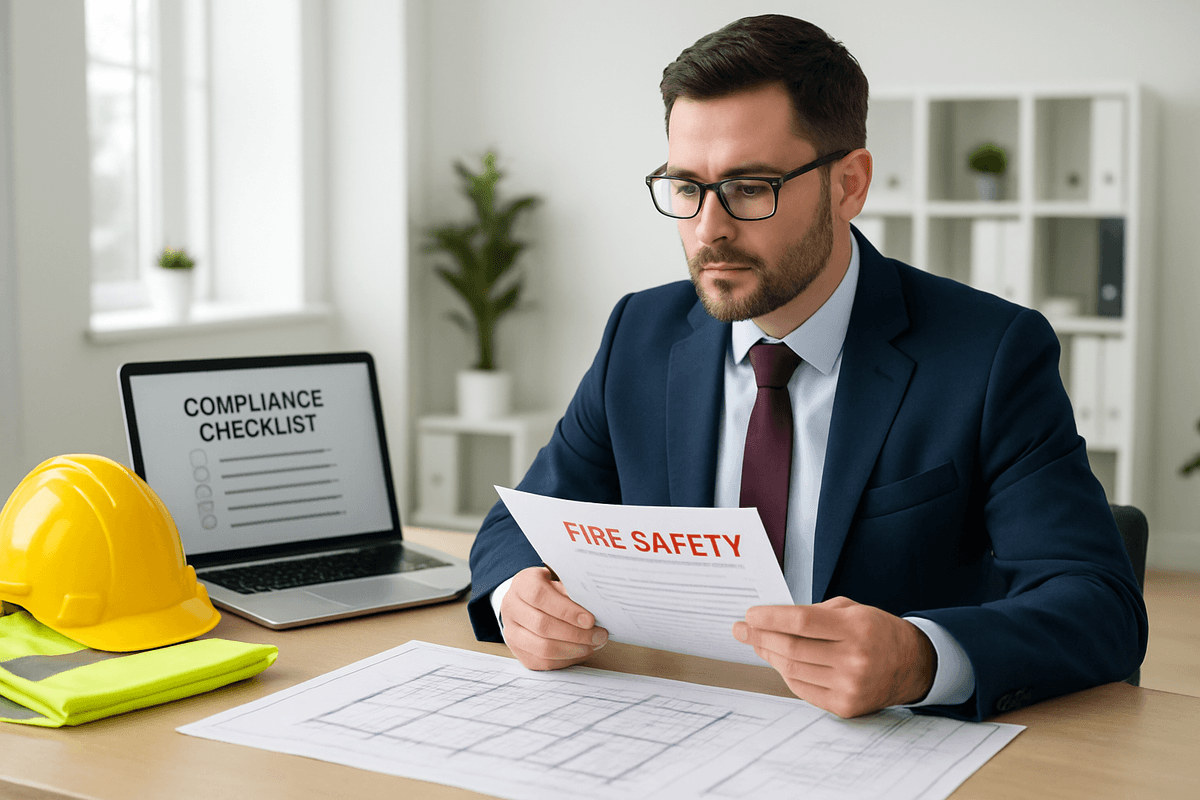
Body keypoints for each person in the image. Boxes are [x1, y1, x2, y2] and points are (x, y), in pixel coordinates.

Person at [466, 14, 1147, 722]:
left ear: (849, 185)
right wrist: (522, 597)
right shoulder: (640, 334)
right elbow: (514, 525)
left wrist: (920, 657)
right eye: (687, 187)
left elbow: (1100, 608)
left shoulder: (991, 353)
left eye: (750, 187)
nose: (709, 228)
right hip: (673, 730)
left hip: (888, 752)